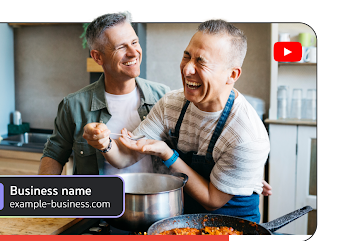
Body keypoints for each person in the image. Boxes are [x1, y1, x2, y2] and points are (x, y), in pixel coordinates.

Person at [83, 19, 272, 222]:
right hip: (182, 220)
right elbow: (125, 156)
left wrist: (168, 154)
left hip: (231, 225)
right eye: (186, 56)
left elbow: (212, 200)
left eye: (201, 61)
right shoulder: (172, 104)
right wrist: (104, 144)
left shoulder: (247, 136)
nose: (187, 69)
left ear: (232, 74)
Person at [38, 11, 170, 175]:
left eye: (134, 42)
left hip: (151, 199)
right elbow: (53, 155)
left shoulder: (163, 97)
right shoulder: (73, 105)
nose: (133, 52)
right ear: (98, 57)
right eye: (121, 47)